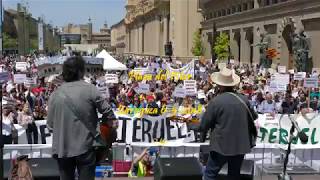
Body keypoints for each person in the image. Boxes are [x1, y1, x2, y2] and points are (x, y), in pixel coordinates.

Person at [47, 56, 117, 180]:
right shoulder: (90, 89)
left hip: (63, 149)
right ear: (80, 71)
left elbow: (50, 125)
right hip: (86, 147)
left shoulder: (55, 95)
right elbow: (109, 113)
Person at [200, 68, 257, 180]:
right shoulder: (244, 99)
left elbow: (204, 125)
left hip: (221, 146)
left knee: (209, 175)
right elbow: (254, 116)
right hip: (240, 145)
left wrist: (193, 126)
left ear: (219, 85)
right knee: (234, 175)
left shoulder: (216, 102)